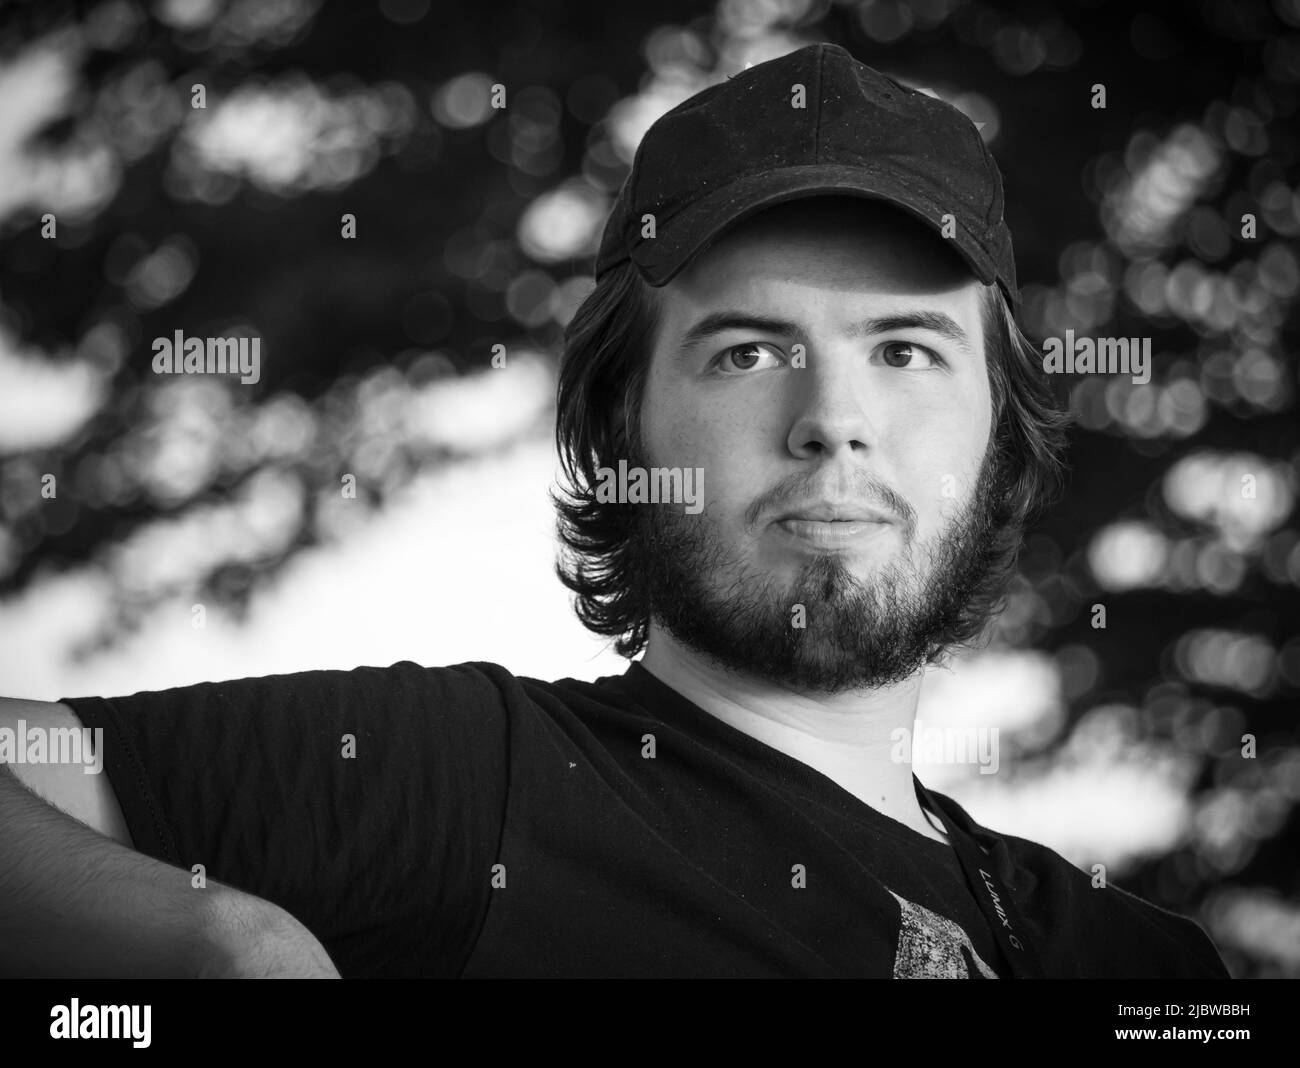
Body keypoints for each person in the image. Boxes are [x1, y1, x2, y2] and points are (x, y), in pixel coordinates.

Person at [0, 42, 1229, 978]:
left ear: (1000, 431)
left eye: (906, 352)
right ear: (615, 425)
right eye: (746, 352)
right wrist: (219, 941)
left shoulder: (1139, 965)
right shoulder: (468, 780)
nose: (832, 418)